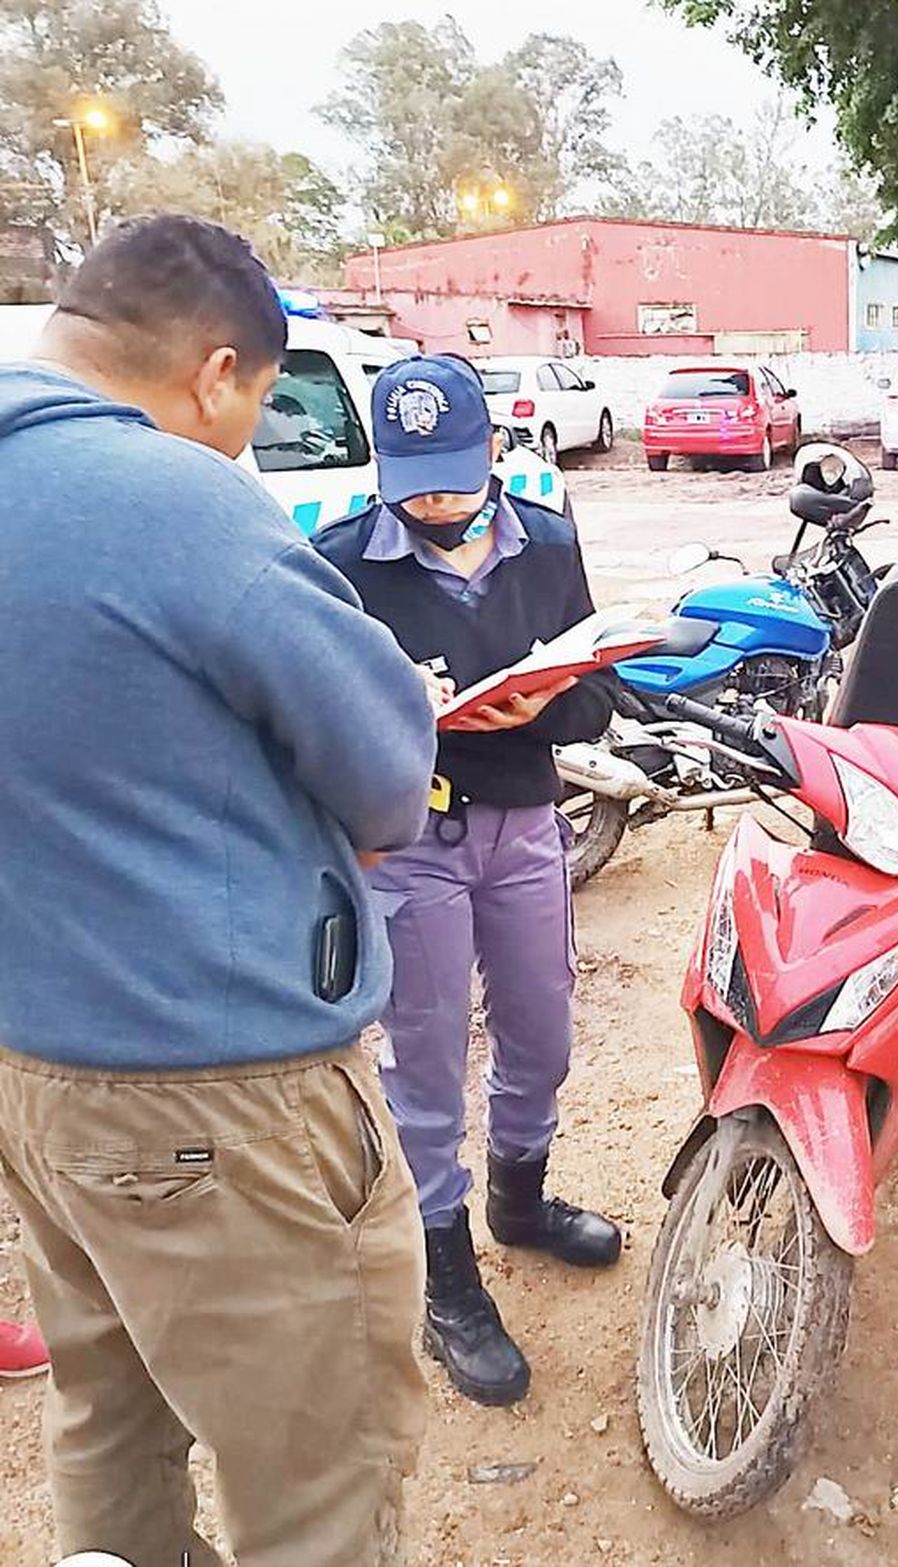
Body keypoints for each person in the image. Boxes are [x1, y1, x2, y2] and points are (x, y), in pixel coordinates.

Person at [0, 216, 437, 1566]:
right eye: (252, 407)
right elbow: (385, 771)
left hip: (36, 1071)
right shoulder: (178, 504)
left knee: (111, 1416)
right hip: (218, 1091)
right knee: (317, 1480)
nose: (246, 439)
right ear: (218, 366)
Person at [315, 354, 621, 1411]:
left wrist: (533, 709)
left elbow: (597, 699)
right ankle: (449, 1281)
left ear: (494, 450)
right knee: (426, 1064)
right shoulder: (342, 561)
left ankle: (520, 1202)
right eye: (413, 481)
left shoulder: (547, 543)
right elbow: (315, 722)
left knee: (542, 1029)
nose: (436, 501)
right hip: (412, 844)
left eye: (452, 473)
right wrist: (405, 712)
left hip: (527, 824)